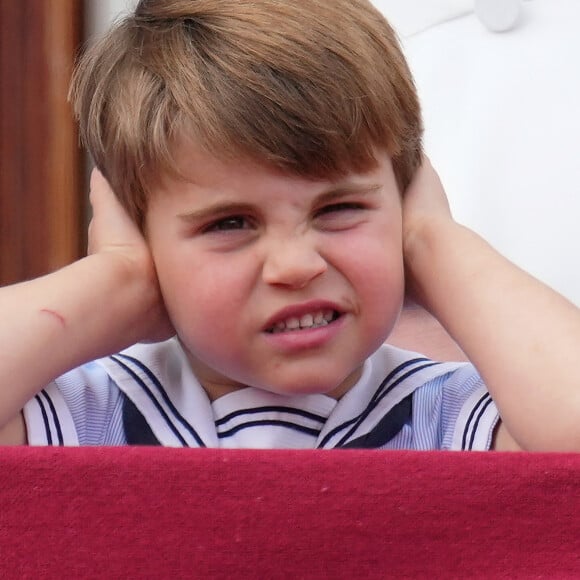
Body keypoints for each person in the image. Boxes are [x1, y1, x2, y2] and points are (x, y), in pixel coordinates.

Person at [0, 0, 578, 450]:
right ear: (142, 237)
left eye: (339, 209)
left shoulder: (447, 414)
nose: (298, 265)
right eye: (230, 223)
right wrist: (119, 280)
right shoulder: (91, 413)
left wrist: (436, 245)